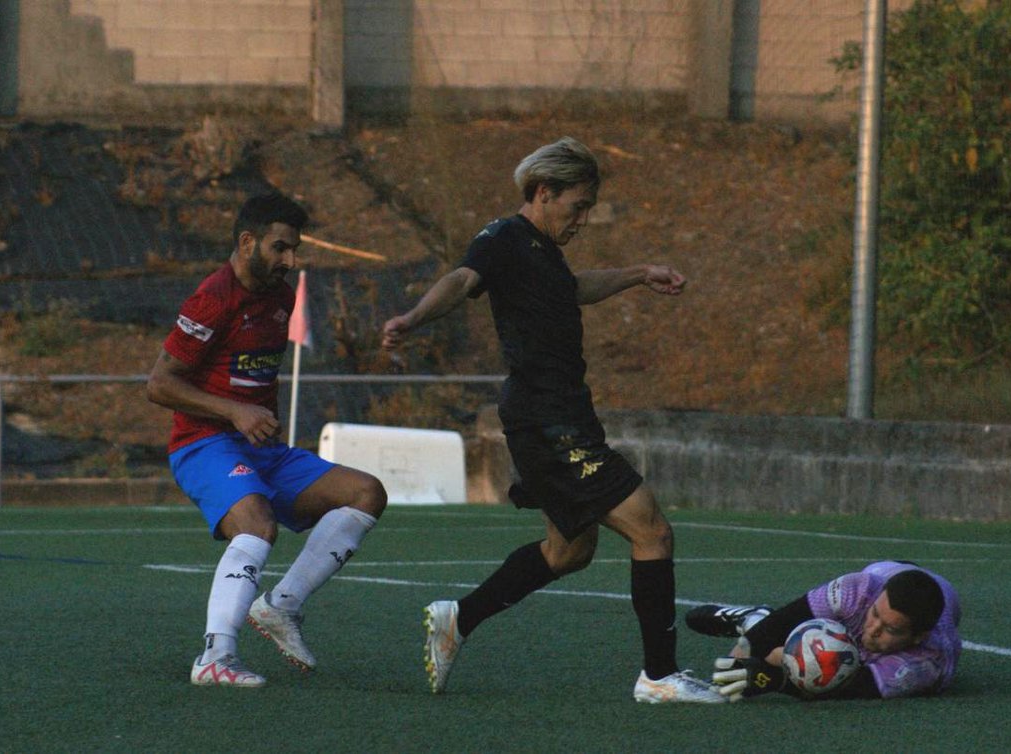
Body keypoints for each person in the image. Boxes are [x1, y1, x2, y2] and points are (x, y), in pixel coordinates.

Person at [380, 136, 722, 703]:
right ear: (543, 192)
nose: (583, 219)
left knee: (570, 551)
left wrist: (639, 273)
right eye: (577, 206)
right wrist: (414, 317)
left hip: (560, 415)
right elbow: (463, 281)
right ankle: (659, 676)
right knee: (652, 529)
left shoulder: (542, 252)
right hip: (547, 420)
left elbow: (574, 289)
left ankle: (459, 618)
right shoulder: (503, 240)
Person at [147, 192, 388, 687]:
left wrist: (255, 419)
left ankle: (282, 607)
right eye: (281, 248)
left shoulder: (281, 296)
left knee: (367, 492)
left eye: (295, 249)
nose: (290, 261)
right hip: (203, 443)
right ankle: (215, 656)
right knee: (256, 526)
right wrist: (236, 411)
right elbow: (160, 384)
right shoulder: (212, 298)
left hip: (263, 450)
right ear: (247, 241)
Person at [686, 560, 961, 700]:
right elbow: (784, 620)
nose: (873, 629)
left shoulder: (927, 663)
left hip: (946, 595)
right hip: (891, 568)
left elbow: (843, 687)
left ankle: (760, 620)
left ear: (917, 637)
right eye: (875, 614)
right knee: (783, 637)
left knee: (798, 658)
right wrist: (734, 666)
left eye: (889, 628)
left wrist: (773, 679)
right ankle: (757, 617)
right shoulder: (858, 590)